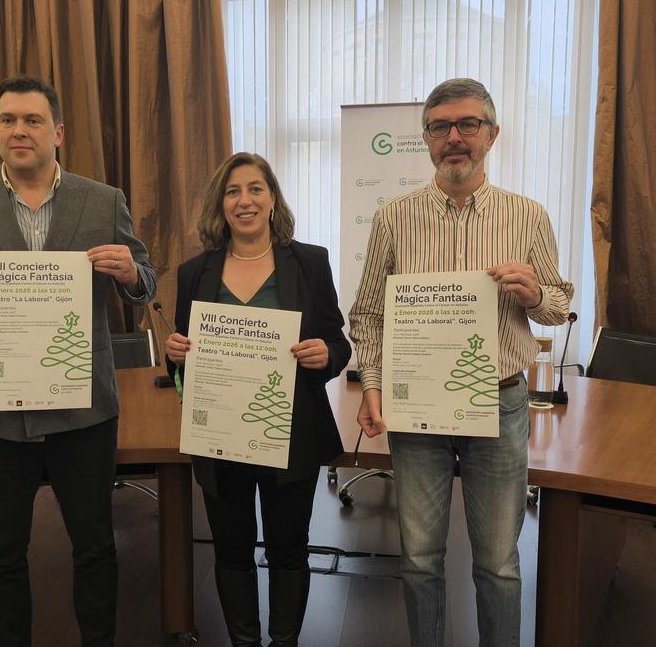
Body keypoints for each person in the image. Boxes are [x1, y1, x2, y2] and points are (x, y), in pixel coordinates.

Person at [0, 75, 157, 647]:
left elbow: (146, 284)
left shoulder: (103, 200)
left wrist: (131, 274)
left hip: (84, 419)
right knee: (2, 556)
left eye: (33, 120)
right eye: (8, 120)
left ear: (59, 133)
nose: (19, 130)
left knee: (96, 549)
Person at [349, 78, 573, 646]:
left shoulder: (527, 216)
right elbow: (368, 313)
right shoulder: (393, 217)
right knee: (420, 559)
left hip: (499, 401)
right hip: (417, 404)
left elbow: (561, 306)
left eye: (467, 125)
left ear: (491, 135)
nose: (454, 137)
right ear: (425, 140)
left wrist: (535, 295)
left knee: (498, 563)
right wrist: (372, 385)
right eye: (439, 127)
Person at [164, 152, 350, 647]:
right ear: (220, 204)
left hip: (290, 433)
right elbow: (184, 356)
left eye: (255, 189)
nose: (244, 200)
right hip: (221, 434)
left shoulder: (309, 262)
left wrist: (324, 353)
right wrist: (176, 352)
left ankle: (284, 641)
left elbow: (338, 341)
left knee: (289, 549)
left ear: (272, 200)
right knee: (231, 550)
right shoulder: (194, 272)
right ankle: (244, 642)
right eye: (232, 191)